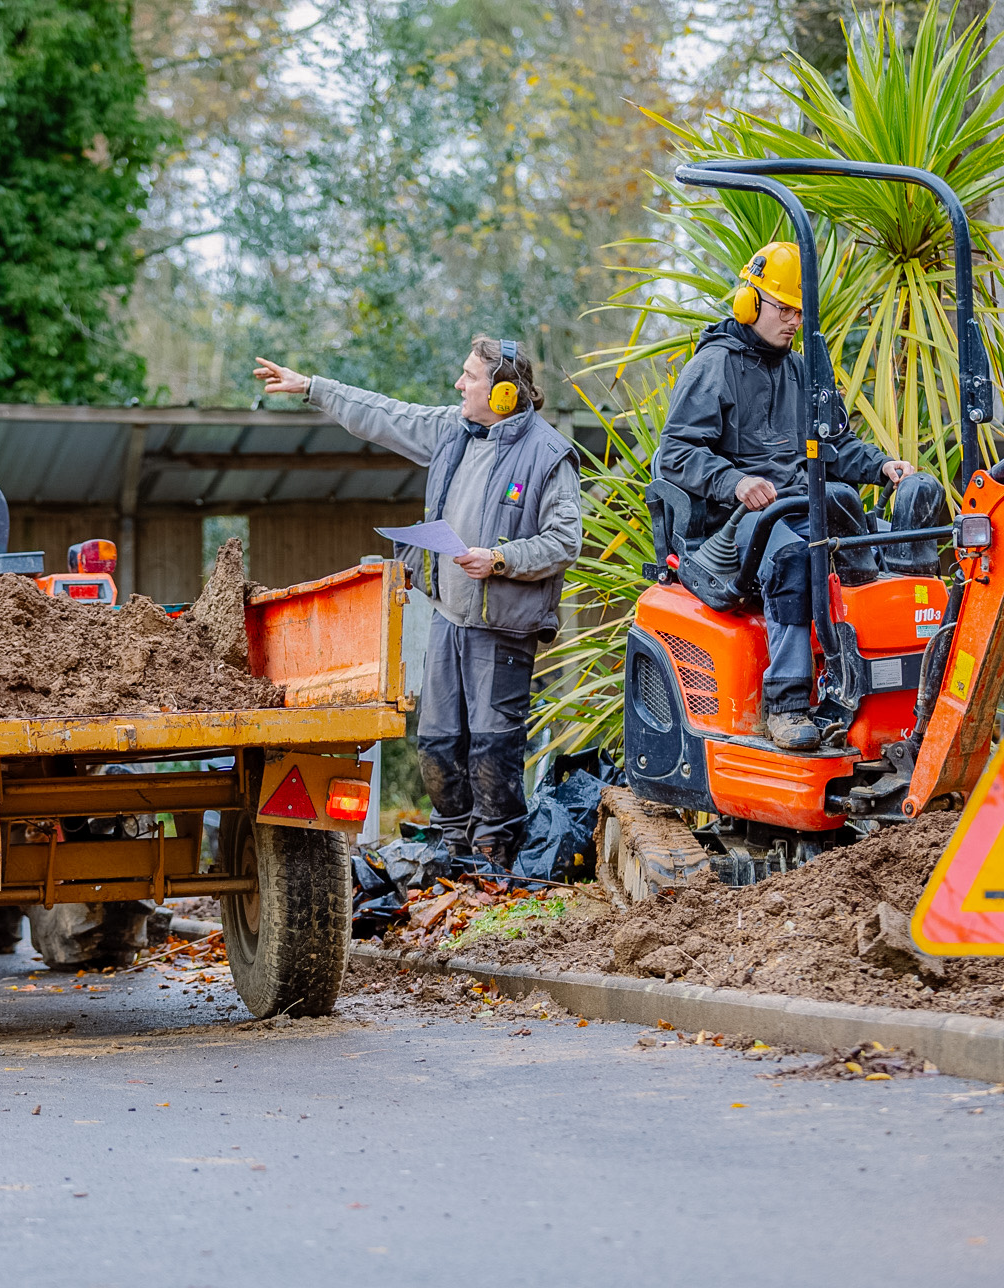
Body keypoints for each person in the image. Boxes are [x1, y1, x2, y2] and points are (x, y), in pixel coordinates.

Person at [252, 340, 581, 869]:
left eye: (469, 376)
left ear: (502, 393)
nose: (458, 385)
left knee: (492, 749)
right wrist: (314, 388)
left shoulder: (547, 455)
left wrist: (500, 559)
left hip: (500, 628)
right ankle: (455, 849)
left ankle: (497, 856)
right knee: (436, 745)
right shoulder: (453, 430)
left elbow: (565, 541)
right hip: (449, 619)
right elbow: (385, 415)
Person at [656, 241, 918, 752]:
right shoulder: (716, 367)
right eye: (783, 308)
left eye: (799, 310)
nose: (793, 320)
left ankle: (874, 696)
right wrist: (734, 481)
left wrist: (883, 466)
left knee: (878, 545)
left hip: (796, 507)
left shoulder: (800, 372)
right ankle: (788, 703)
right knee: (797, 557)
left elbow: (835, 447)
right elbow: (675, 453)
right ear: (748, 303)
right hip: (731, 524)